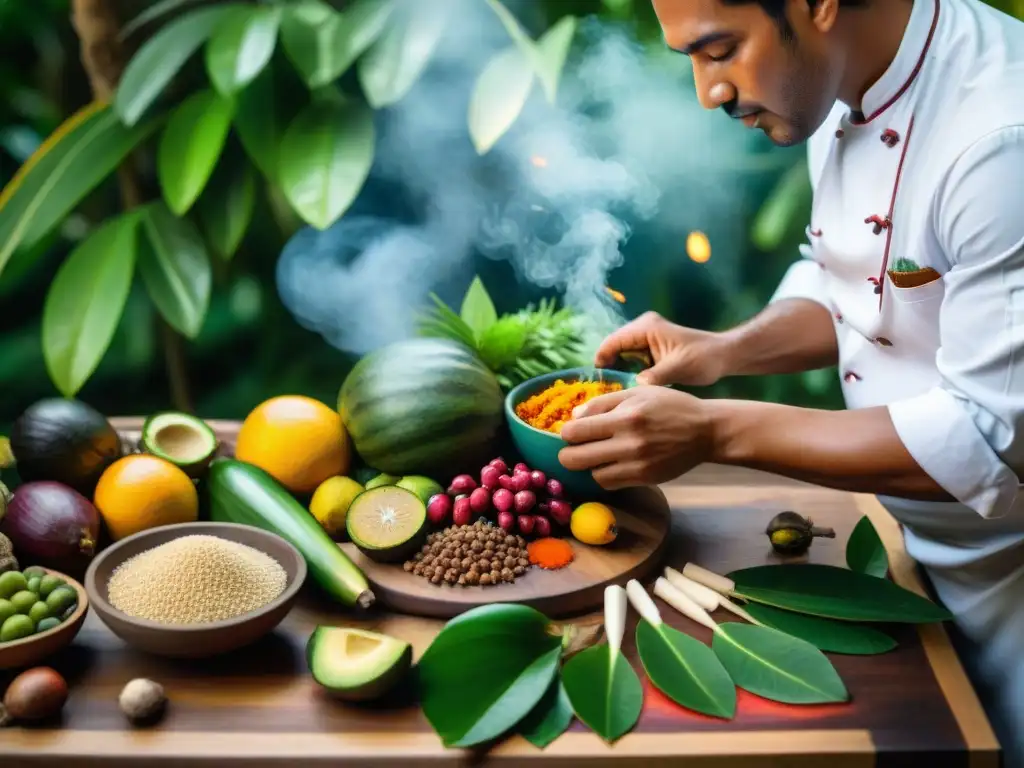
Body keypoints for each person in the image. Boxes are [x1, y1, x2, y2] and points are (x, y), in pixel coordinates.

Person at [557, 0, 1024, 763]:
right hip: (907, 548)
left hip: (1010, 573)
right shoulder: (842, 81)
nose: (709, 91)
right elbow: (860, 289)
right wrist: (723, 351)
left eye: (719, 49)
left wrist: (714, 430)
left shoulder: (1003, 144)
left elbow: (988, 438)